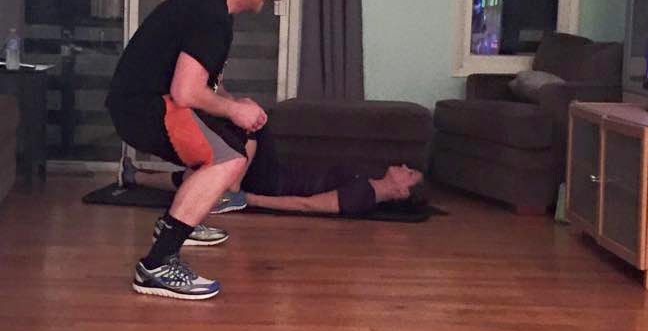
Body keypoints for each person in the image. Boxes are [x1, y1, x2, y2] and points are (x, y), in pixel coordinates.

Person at [106, 0, 285, 300]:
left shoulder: (210, 4)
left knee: (235, 138)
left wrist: (232, 103)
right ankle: (157, 266)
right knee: (228, 159)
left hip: (149, 101)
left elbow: (200, 79)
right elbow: (187, 92)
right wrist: (234, 109)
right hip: (144, 107)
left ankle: (177, 222)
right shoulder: (212, 16)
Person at [118, 121, 426, 218]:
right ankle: (135, 176)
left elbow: (306, 205)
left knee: (255, 125)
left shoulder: (363, 197)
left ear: (402, 192)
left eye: (409, 173)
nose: (403, 167)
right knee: (205, 174)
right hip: (273, 176)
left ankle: (231, 191)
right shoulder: (367, 183)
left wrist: (248, 199)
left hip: (271, 184)